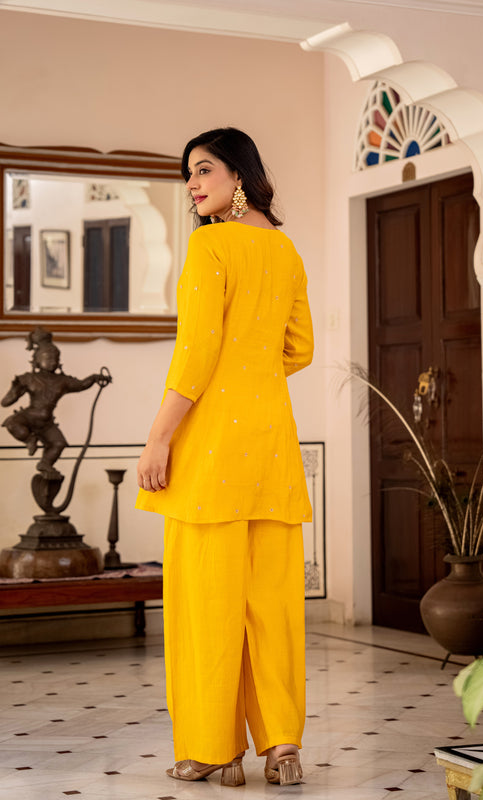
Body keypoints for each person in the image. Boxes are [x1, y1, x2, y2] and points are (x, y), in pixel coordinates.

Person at [136, 127, 313, 787]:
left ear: (239, 174)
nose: (193, 184)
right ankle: (282, 746)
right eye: (189, 174)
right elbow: (300, 349)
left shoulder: (209, 246)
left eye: (203, 170)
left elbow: (195, 355)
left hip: (210, 452)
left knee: (207, 604)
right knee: (272, 607)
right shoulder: (285, 249)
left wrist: (158, 438)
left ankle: (213, 749)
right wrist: (253, 370)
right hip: (271, 449)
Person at [1, 329, 110, 475]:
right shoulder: (28, 378)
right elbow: (6, 402)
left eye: (55, 358)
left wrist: (95, 377)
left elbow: (81, 384)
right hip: (29, 416)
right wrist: (15, 389)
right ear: (37, 360)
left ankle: (45, 463)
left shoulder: (62, 381)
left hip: (46, 422)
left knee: (58, 443)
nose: (53, 361)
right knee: (11, 423)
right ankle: (29, 439)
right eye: (48, 358)